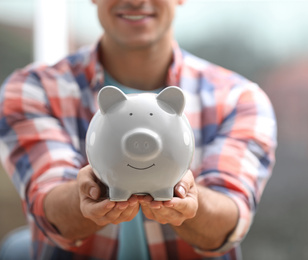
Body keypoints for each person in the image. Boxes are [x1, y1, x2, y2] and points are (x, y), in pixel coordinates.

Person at [0, 0, 277, 259]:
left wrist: (188, 200)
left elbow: (228, 222)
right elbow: (47, 205)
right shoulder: (31, 92)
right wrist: (88, 193)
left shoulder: (240, 100)